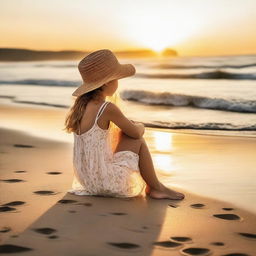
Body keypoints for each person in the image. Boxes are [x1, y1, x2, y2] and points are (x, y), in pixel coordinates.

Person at [64, 49, 185, 200]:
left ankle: (155, 187)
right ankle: (156, 187)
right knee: (137, 138)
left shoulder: (80, 107)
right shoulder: (106, 108)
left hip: (88, 181)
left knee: (126, 131)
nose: (118, 83)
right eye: (117, 78)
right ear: (108, 82)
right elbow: (135, 133)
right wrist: (141, 126)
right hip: (107, 183)